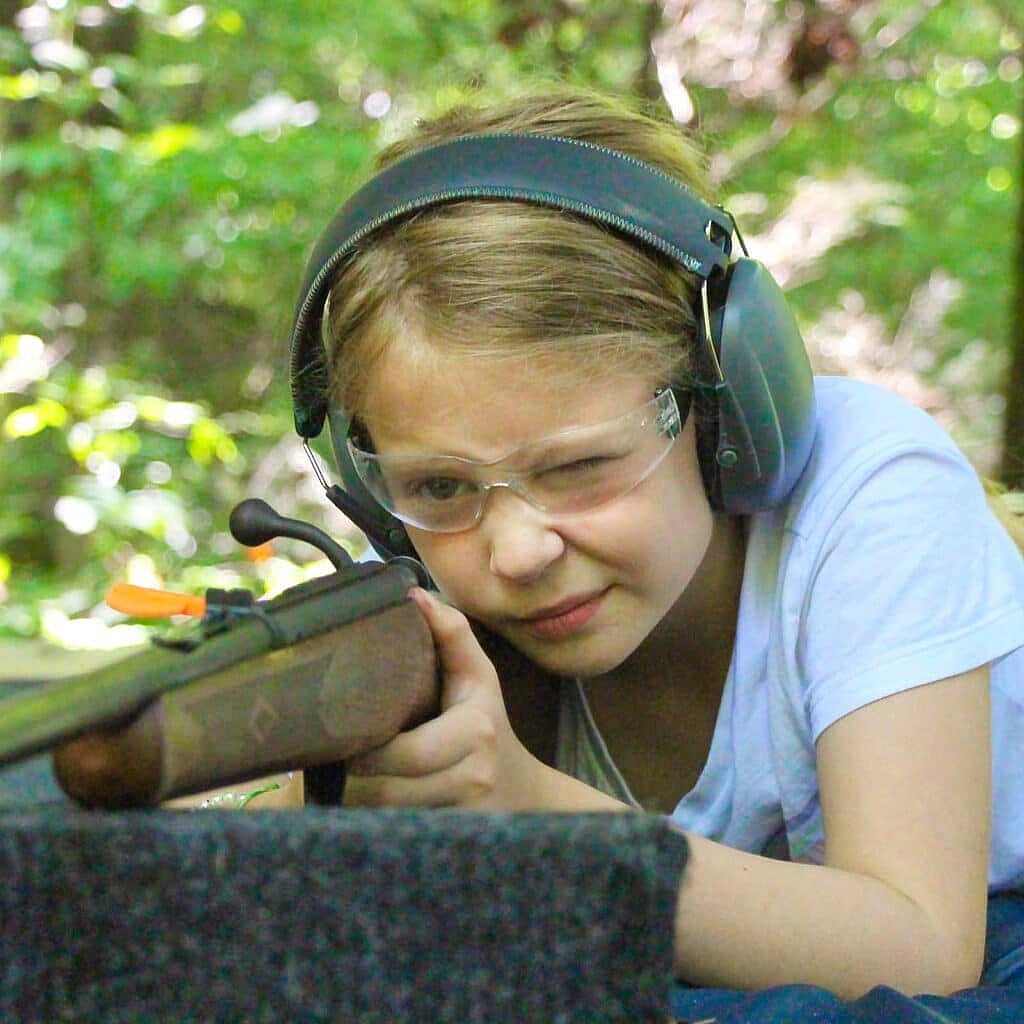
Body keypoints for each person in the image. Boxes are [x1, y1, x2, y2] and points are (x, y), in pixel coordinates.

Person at [300, 85, 1024, 1012]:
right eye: (440, 487)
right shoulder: (427, 600)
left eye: (580, 466)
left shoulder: (875, 493)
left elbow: (922, 951)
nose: (516, 551)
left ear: (726, 410)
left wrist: (534, 813)